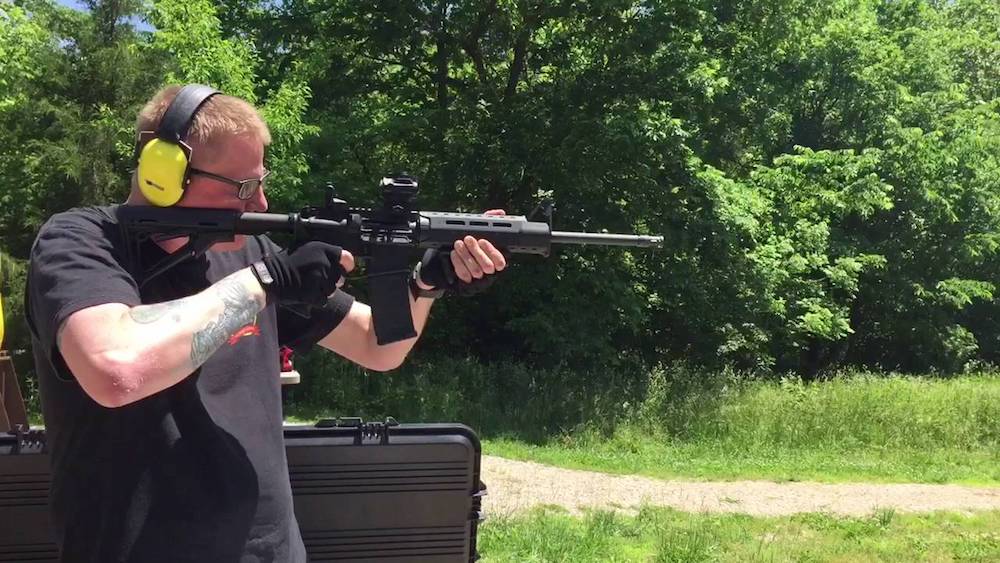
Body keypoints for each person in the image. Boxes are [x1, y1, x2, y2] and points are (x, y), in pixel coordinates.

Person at [24, 84, 506, 563]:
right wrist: (264, 282)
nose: (260, 203)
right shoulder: (82, 242)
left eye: (260, 182)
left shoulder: (249, 252)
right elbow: (116, 369)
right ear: (163, 174)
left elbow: (378, 346)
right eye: (244, 187)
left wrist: (425, 283)